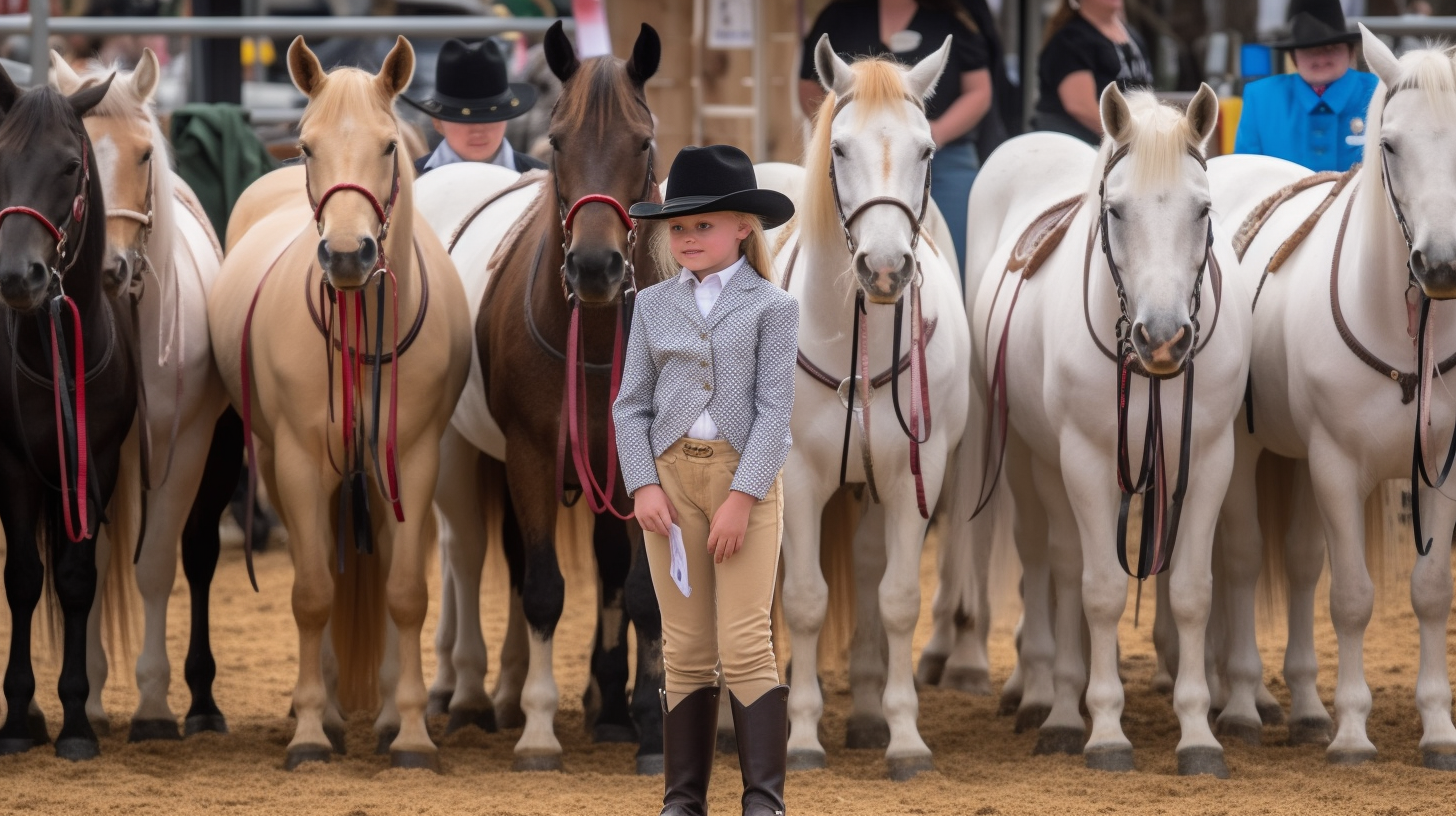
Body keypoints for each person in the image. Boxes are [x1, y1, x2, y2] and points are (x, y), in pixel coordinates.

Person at [614, 144, 798, 816]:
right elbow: (630, 405)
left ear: (744, 226)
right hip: (671, 483)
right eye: (680, 226)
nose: (689, 238)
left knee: (746, 641)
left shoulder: (772, 307)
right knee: (686, 647)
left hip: (740, 481)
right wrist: (644, 486)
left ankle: (762, 802)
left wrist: (742, 498)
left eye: (706, 225)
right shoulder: (653, 304)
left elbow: (776, 413)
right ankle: (683, 800)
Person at [798, 0, 993, 281]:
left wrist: (936, 131)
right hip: (857, 158)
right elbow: (809, 86)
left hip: (943, 154)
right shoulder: (839, 15)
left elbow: (979, 91)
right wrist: (849, 134)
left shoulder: (955, 20)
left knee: (959, 253)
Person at [1233, 0, 1377, 173]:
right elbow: (1245, 175)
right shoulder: (1261, 98)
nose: (1321, 58)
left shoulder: (1379, 91)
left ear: (1350, 51)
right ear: (1294, 57)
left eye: (1332, 48)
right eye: (1310, 49)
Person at [400, 38, 545, 176]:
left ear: (505, 119)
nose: (478, 129)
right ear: (437, 123)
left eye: (491, 117)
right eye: (463, 119)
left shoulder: (546, 181)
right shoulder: (408, 182)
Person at [1034, 0, 1153, 145]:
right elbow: (1080, 107)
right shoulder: (1070, 39)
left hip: (1125, 141)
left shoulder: (1134, 37)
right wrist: (1130, 137)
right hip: (1075, 145)